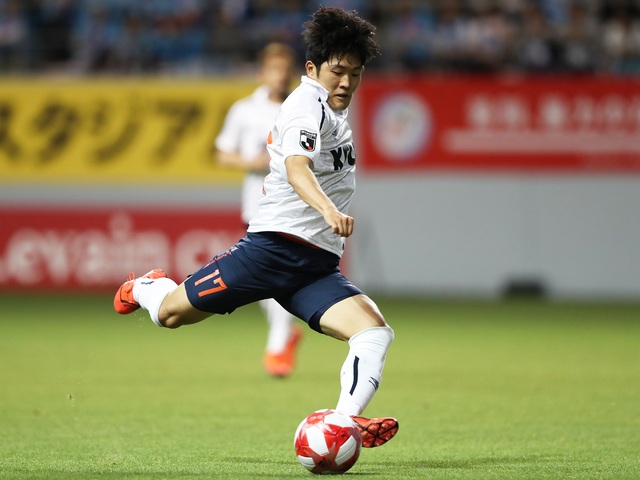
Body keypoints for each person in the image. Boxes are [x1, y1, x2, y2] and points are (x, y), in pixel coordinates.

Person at [114, 6, 398, 448]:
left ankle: (343, 422)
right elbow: (298, 167)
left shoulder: (333, 112)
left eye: (355, 74)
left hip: (315, 269)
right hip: (270, 253)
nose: (346, 82)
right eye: (338, 72)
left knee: (374, 332)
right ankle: (147, 287)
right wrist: (326, 209)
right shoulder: (305, 106)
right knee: (169, 315)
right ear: (312, 69)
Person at [215, 42, 302, 378]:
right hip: (256, 204)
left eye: (285, 70)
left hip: (294, 204)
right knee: (267, 275)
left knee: (277, 273)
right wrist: (250, 162)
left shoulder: (302, 107)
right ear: (263, 73)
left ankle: (278, 345)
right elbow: (222, 153)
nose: (280, 76)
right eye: (274, 69)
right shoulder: (245, 110)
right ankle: (285, 334)